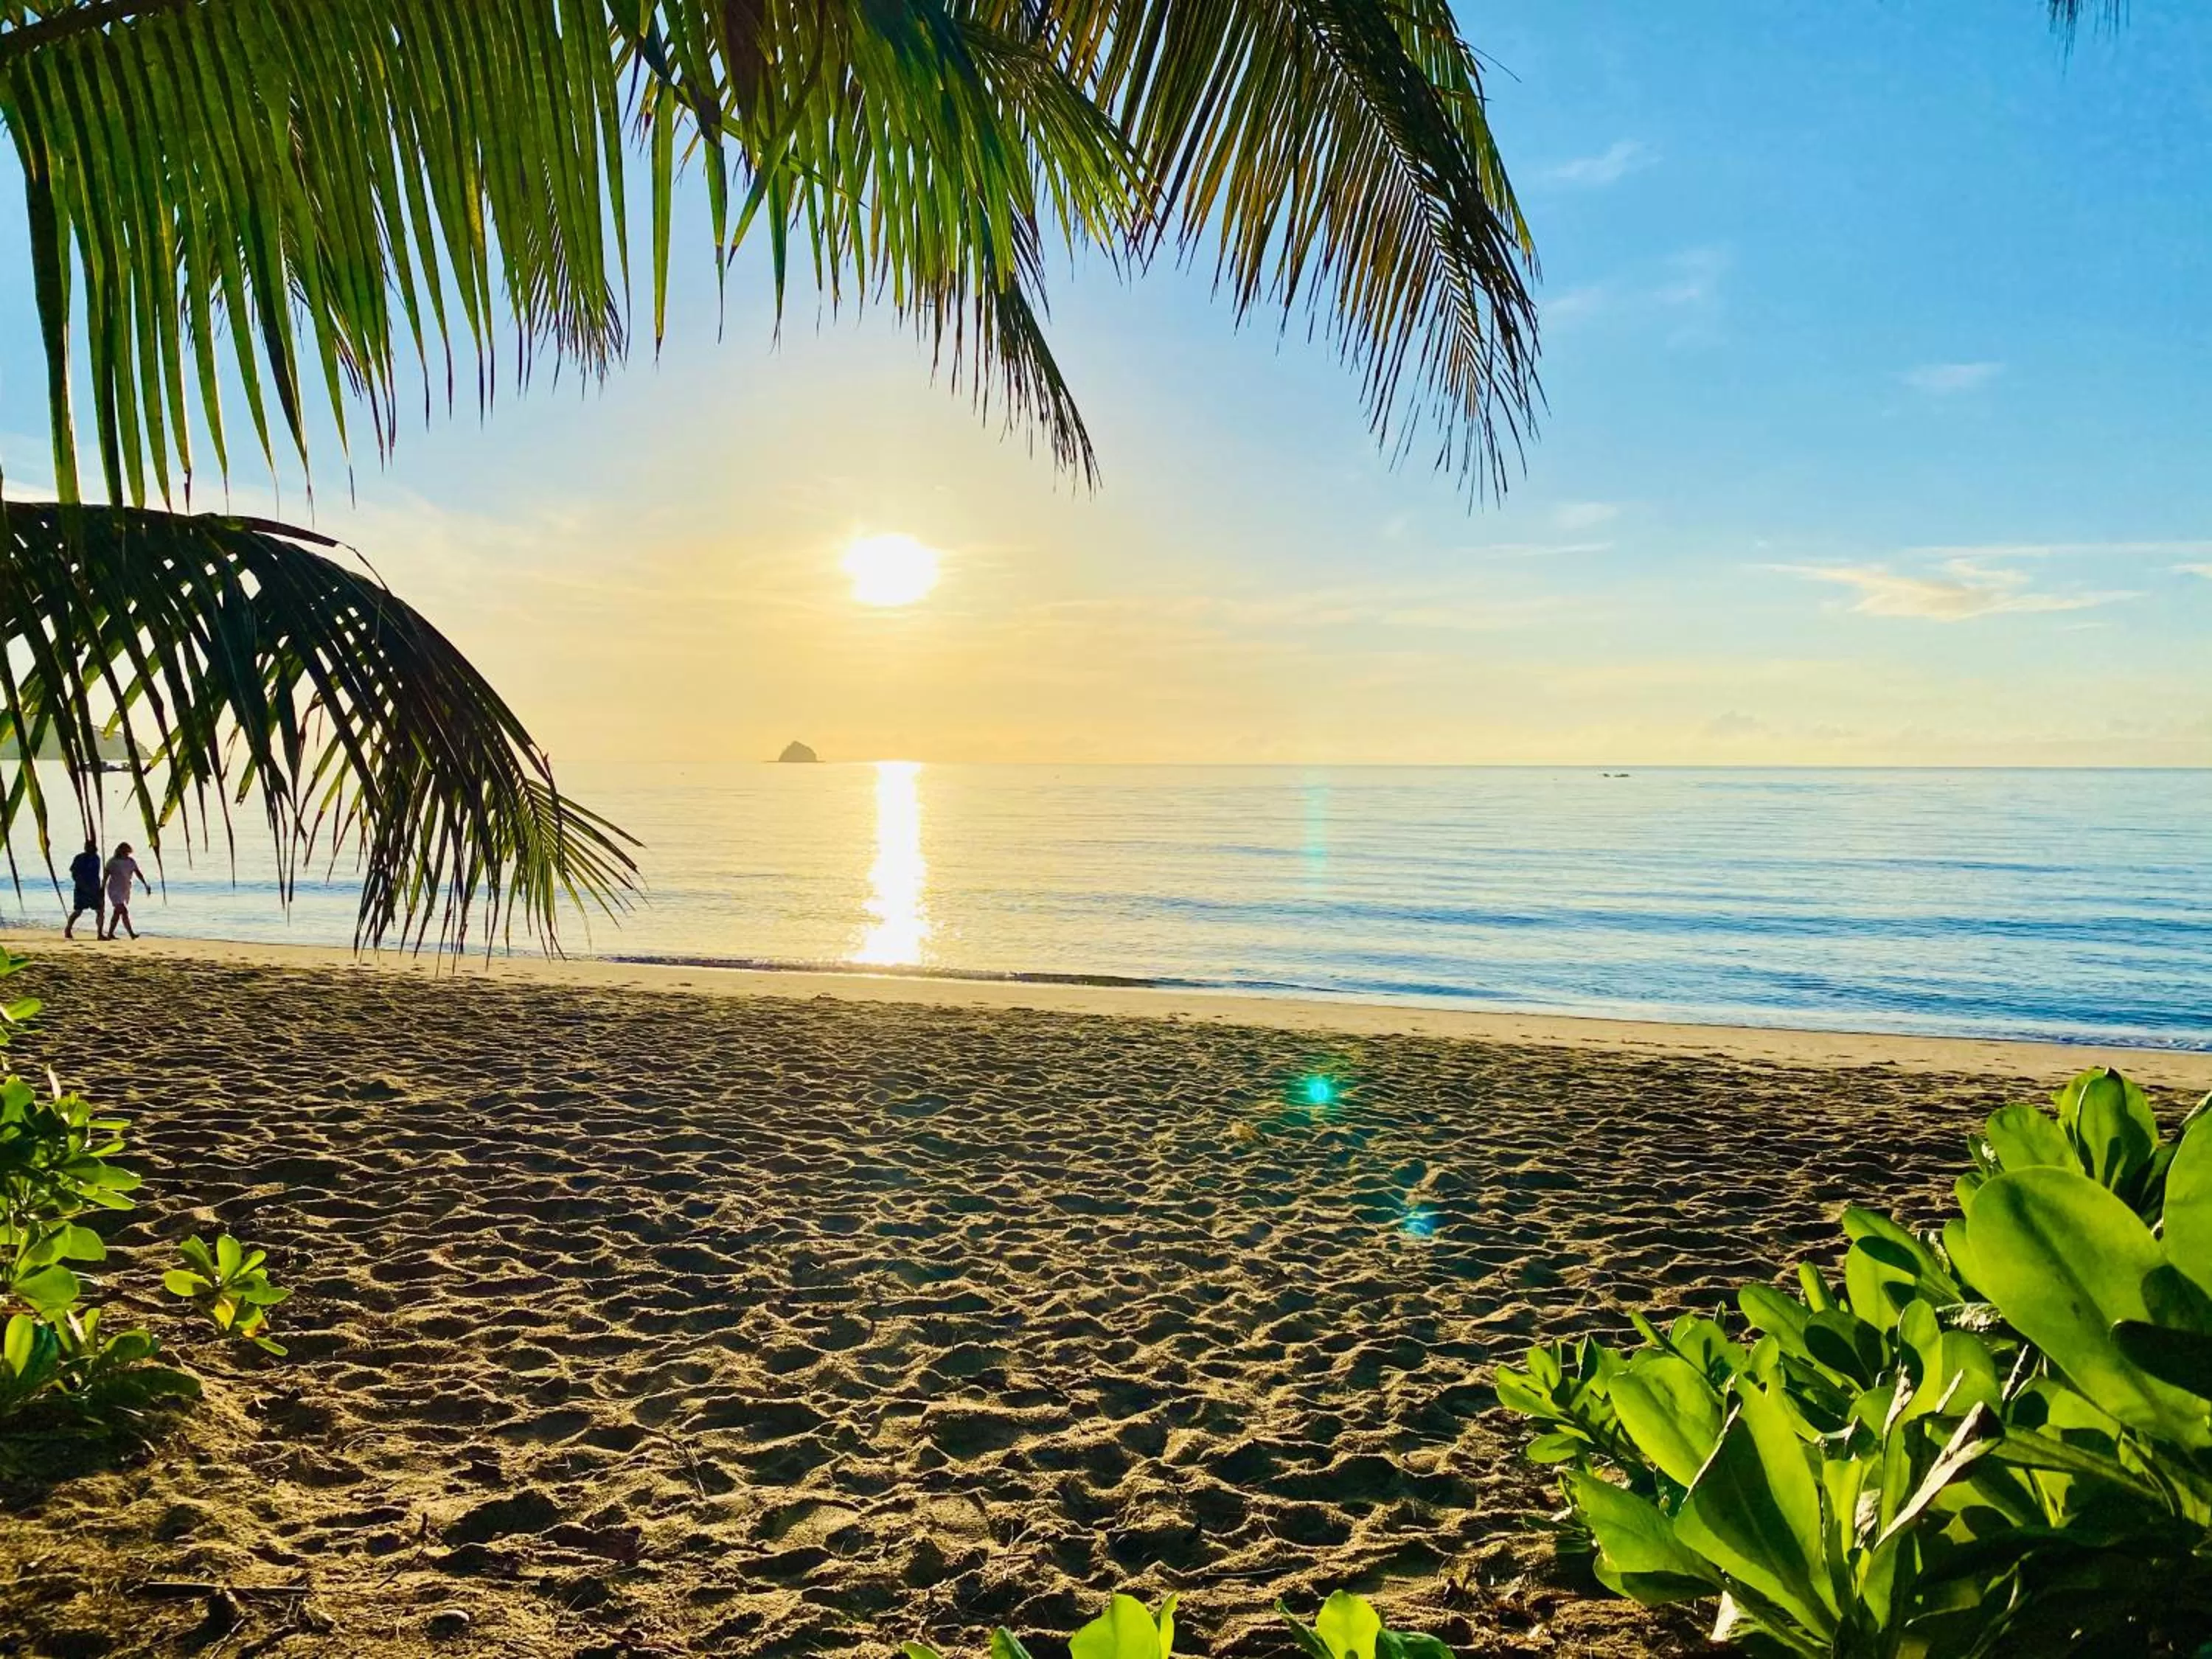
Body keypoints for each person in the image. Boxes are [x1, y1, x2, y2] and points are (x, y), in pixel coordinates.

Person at [101, 842, 147, 940]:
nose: (127, 854)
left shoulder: (131, 861)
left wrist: (145, 884)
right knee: (123, 911)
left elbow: (138, 873)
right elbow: (106, 876)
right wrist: (102, 887)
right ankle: (131, 934)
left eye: (128, 852)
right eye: (125, 852)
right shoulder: (112, 862)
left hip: (124, 889)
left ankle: (110, 934)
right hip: (114, 890)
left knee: (117, 913)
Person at [64, 838, 104, 939]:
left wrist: (100, 888)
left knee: (100, 911)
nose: (87, 848)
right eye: (86, 846)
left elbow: (96, 874)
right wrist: (81, 884)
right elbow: (74, 873)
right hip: (81, 888)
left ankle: (100, 933)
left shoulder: (96, 858)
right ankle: (68, 929)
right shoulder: (80, 858)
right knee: (78, 911)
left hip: (94, 888)